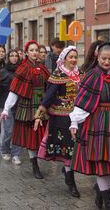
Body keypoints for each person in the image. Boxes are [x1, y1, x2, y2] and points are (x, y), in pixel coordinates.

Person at [69, 42, 110, 209]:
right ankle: (108, 202)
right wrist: (74, 122)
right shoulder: (91, 76)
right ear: (98, 57)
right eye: (104, 58)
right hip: (99, 122)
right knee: (103, 163)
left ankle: (101, 189)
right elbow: (81, 102)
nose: (107, 62)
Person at [36, 46, 81, 197]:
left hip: (78, 115)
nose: (73, 60)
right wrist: (41, 109)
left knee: (77, 148)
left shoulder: (79, 73)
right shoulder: (58, 74)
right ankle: (71, 182)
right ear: (64, 58)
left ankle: (68, 172)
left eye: (75, 57)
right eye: (71, 57)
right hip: (62, 117)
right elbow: (49, 94)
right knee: (68, 149)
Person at [1, 40, 49, 179]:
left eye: (37, 50)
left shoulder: (43, 68)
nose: (35, 53)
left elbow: (50, 87)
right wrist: (6, 108)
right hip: (28, 105)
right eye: (32, 50)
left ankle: (42, 158)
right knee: (31, 137)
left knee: (43, 135)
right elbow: (14, 91)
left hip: (41, 104)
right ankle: (34, 165)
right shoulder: (23, 68)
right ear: (27, 53)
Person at [0, 49, 22, 164]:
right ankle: (5, 150)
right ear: (8, 58)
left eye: (15, 55)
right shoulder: (3, 71)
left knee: (18, 131)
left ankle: (16, 154)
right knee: (8, 131)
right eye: (11, 56)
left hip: (20, 105)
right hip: (7, 104)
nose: (14, 58)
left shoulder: (22, 70)